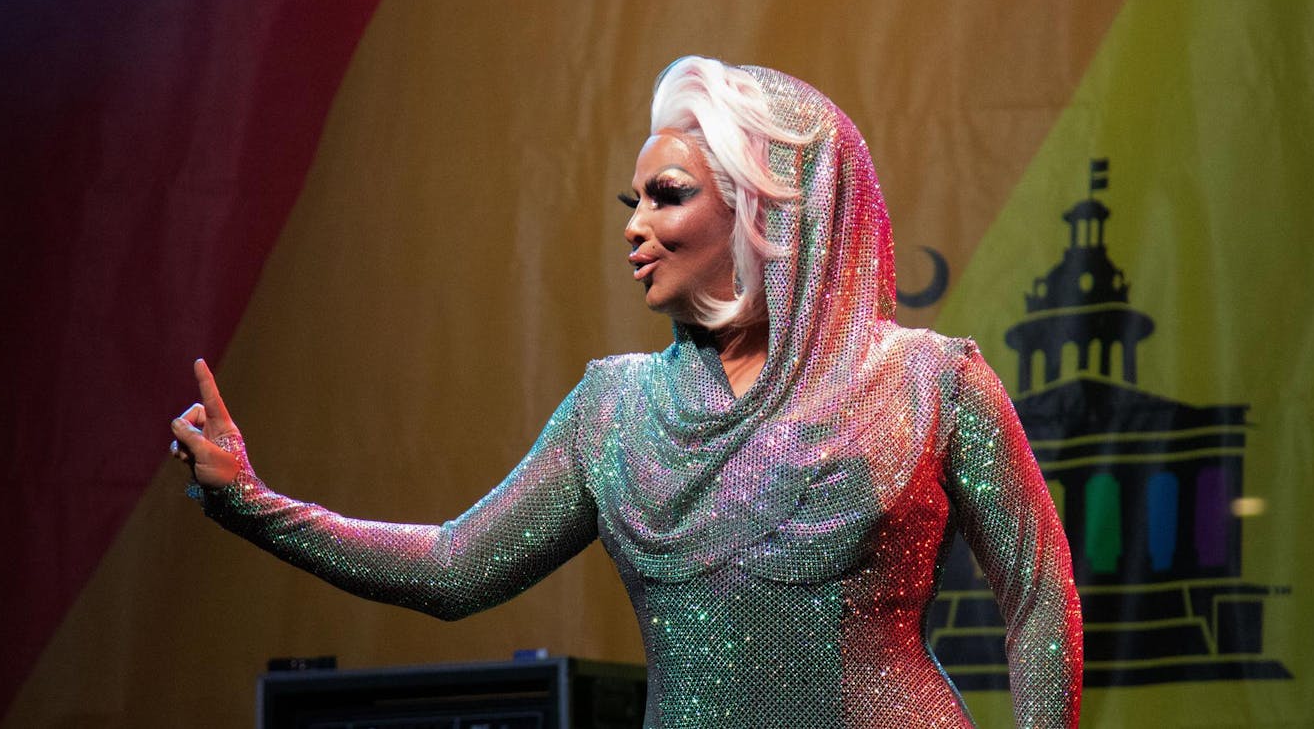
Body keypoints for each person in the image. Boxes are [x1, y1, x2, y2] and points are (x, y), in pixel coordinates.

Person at [170, 57, 1082, 727]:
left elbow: (1041, 595)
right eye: (631, 202)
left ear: (762, 208)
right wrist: (255, 504)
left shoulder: (928, 381)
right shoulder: (614, 409)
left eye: (667, 196)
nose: (635, 227)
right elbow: (455, 568)